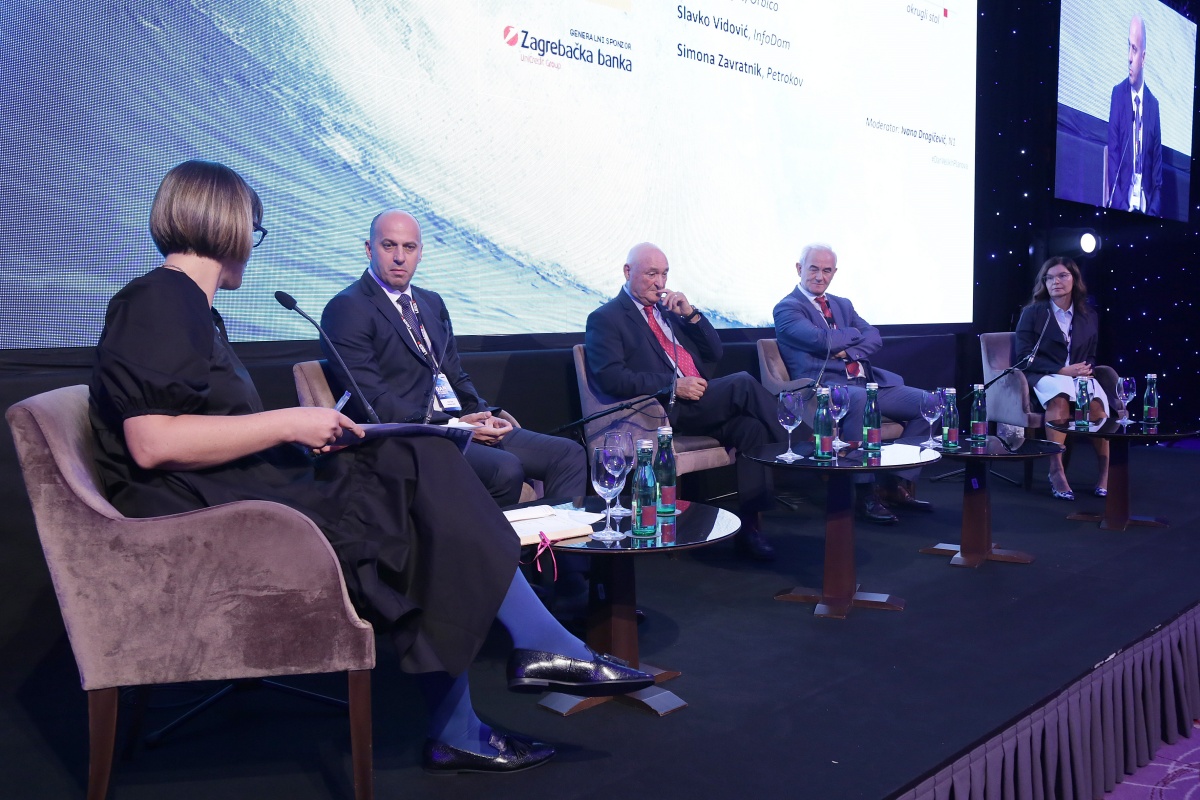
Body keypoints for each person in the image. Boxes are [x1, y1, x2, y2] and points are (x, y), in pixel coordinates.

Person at [88, 160, 652, 775]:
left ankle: (488, 699)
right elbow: (151, 442)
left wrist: (305, 432)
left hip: (235, 491)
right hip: (207, 519)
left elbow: (193, 425)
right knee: (421, 466)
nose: (253, 242)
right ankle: (529, 659)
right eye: (255, 229)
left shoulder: (189, 307)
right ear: (226, 225)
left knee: (420, 468)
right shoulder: (162, 299)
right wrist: (290, 424)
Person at [321, 210, 586, 508]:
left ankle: (558, 539)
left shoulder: (431, 302)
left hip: (456, 426)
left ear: (421, 253)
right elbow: (375, 401)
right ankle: (492, 541)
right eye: (388, 245)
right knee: (505, 468)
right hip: (407, 438)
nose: (399, 257)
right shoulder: (347, 308)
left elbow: (454, 375)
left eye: (409, 247)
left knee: (568, 454)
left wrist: (482, 415)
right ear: (369, 249)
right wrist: (455, 425)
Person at [584, 242, 784, 561]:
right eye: (651, 274)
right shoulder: (606, 318)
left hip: (699, 403)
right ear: (627, 272)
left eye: (664, 274)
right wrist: (672, 386)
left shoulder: (669, 312)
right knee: (743, 383)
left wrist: (691, 315)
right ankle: (802, 445)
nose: (660, 283)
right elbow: (611, 377)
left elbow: (715, 352)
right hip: (664, 410)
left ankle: (750, 529)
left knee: (751, 429)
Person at [773, 243, 934, 524]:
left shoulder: (842, 304)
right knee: (857, 399)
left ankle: (894, 483)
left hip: (867, 383)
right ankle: (865, 493)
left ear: (834, 272)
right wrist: (849, 336)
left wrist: (846, 351)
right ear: (799, 269)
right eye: (813, 269)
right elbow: (823, 341)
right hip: (824, 389)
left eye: (827, 270)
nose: (820, 277)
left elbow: (874, 336)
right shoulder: (787, 308)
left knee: (930, 403)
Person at [1015, 256, 1110, 501]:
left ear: (1074, 280)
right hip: (1044, 375)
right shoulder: (1033, 313)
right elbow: (1023, 357)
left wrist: (1087, 368)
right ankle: (1056, 471)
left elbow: (1091, 354)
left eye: (1062, 276)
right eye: (1049, 278)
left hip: (1077, 377)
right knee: (1059, 399)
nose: (1055, 282)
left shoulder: (1089, 315)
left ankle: (1105, 474)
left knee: (1096, 407)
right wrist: (1061, 370)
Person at [1107, 14, 1161, 216]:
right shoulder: (1117, 95)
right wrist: (1122, 210)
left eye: (1135, 50)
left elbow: (1157, 178)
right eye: (1128, 47)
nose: (1129, 57)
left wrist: (1152, 215)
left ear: (1143, 58)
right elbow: (1113, 161)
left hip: (1147, 211)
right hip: (1122, 207)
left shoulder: (1154, 106)